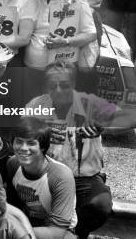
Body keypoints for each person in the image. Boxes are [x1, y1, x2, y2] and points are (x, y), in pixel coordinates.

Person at [25, 62, 136, 238]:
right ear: (46, 86)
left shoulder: (90, 103)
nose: (59, 90)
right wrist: (41, 133)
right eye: (53, 86)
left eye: (65, 85)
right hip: (47, 176)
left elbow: (131, 117)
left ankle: (75, 233)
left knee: (101, 205)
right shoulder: (36, 105)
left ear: (74, 84)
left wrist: (104, 125)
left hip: (84, 179)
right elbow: (19, 132)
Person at [24, 0, 97, 98]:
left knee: (56, 116)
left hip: (59, 76)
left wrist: (65, 41)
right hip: (31, 70)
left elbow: (91, 33)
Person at [5, 116, 78, 239]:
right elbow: (12, 206)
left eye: (31, 143)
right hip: (28, 221)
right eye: (19, 141)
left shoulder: (61, 176)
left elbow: (57, 232)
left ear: (43, 146)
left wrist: (15, 231)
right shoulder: (13, 164)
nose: (23, 148)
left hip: (60, 230)